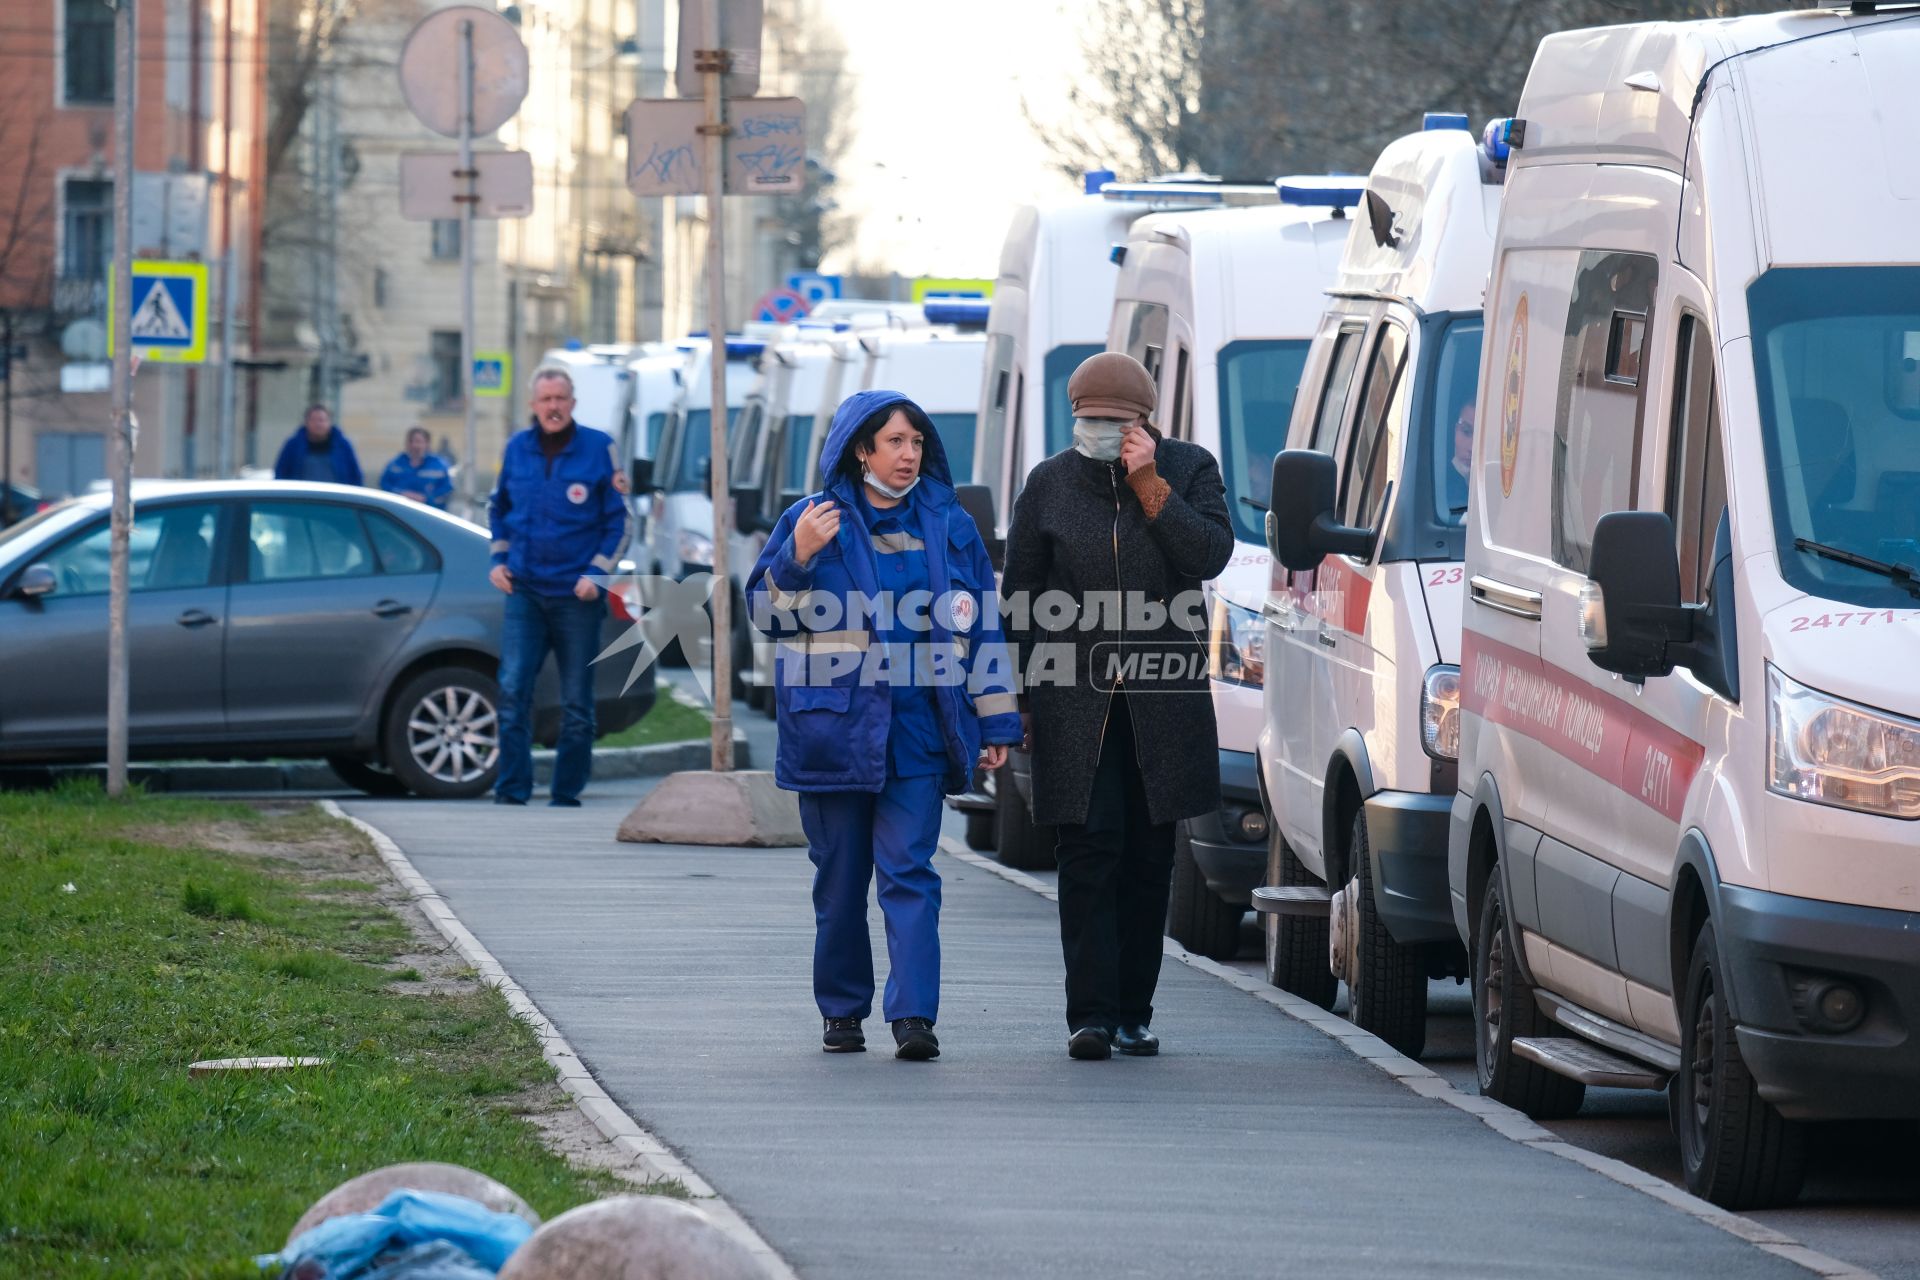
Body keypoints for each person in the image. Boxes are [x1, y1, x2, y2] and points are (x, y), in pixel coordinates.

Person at [746, 389, 1022, 1061]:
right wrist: (796, 558)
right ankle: (841, 1012)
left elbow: (983, 623)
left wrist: (997, 725)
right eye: (894, 442)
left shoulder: (949, 524)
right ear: (859, 450)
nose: (908, 455)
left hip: (920, 730)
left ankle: (914, 1017)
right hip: (833, 733)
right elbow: (765, 613)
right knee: (840, 883)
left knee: (909, 873)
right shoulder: (810, 521)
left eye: (916, 442)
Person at [1001, 351, 1234, 1060]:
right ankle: (1091, 1016)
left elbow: (1210, 554)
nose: (1100, 432)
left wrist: (1149, 485)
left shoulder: (1188, 470)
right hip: (1074, 700)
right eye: (1089, 420)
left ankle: (1135, 1011)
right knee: (1087, 851)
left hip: (1161, 701)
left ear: (1145, 421)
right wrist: (1019, 700)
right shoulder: (1048, 484)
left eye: (1115, 422)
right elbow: (1020, 600)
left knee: (1147, 855)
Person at [487, 367, 628, 807]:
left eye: (560, 399)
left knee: (575, 701)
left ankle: (565, 792)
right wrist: (498, 558)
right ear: (533, 405)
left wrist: (598, 573)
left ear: (572, 403)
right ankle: (512, 789)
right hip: (525, 591)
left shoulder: (599, 448)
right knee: (512, 688)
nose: (553, 407)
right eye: (545, 399)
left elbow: (620, 521)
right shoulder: (516, 448)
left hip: (577, 596)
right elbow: (499, 508)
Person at [274, 404, 364, 485]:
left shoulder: (343, 446)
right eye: (313, 420)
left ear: (329, 422)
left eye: (322, 420)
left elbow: (355, 476)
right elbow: (281, 473)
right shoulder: (293, 445)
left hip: (336, 500)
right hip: (301, 499)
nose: (318, 424)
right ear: (306, 422)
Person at [379, 426, 455, 508]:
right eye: (411, 441)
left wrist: (426, 499)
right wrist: (401, 494)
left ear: (427, 443)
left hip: (430, 513)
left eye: (418, 442)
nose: (414, 445)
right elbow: (384, 485)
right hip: (400, 512)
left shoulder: (439, 465)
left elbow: (447, 489)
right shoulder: (395, 464)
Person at [1445, 402, 1474, 518]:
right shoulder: (1439, 488)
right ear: (1454, 430)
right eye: (1466, 432)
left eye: (1481, 438)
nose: (1472, 447)